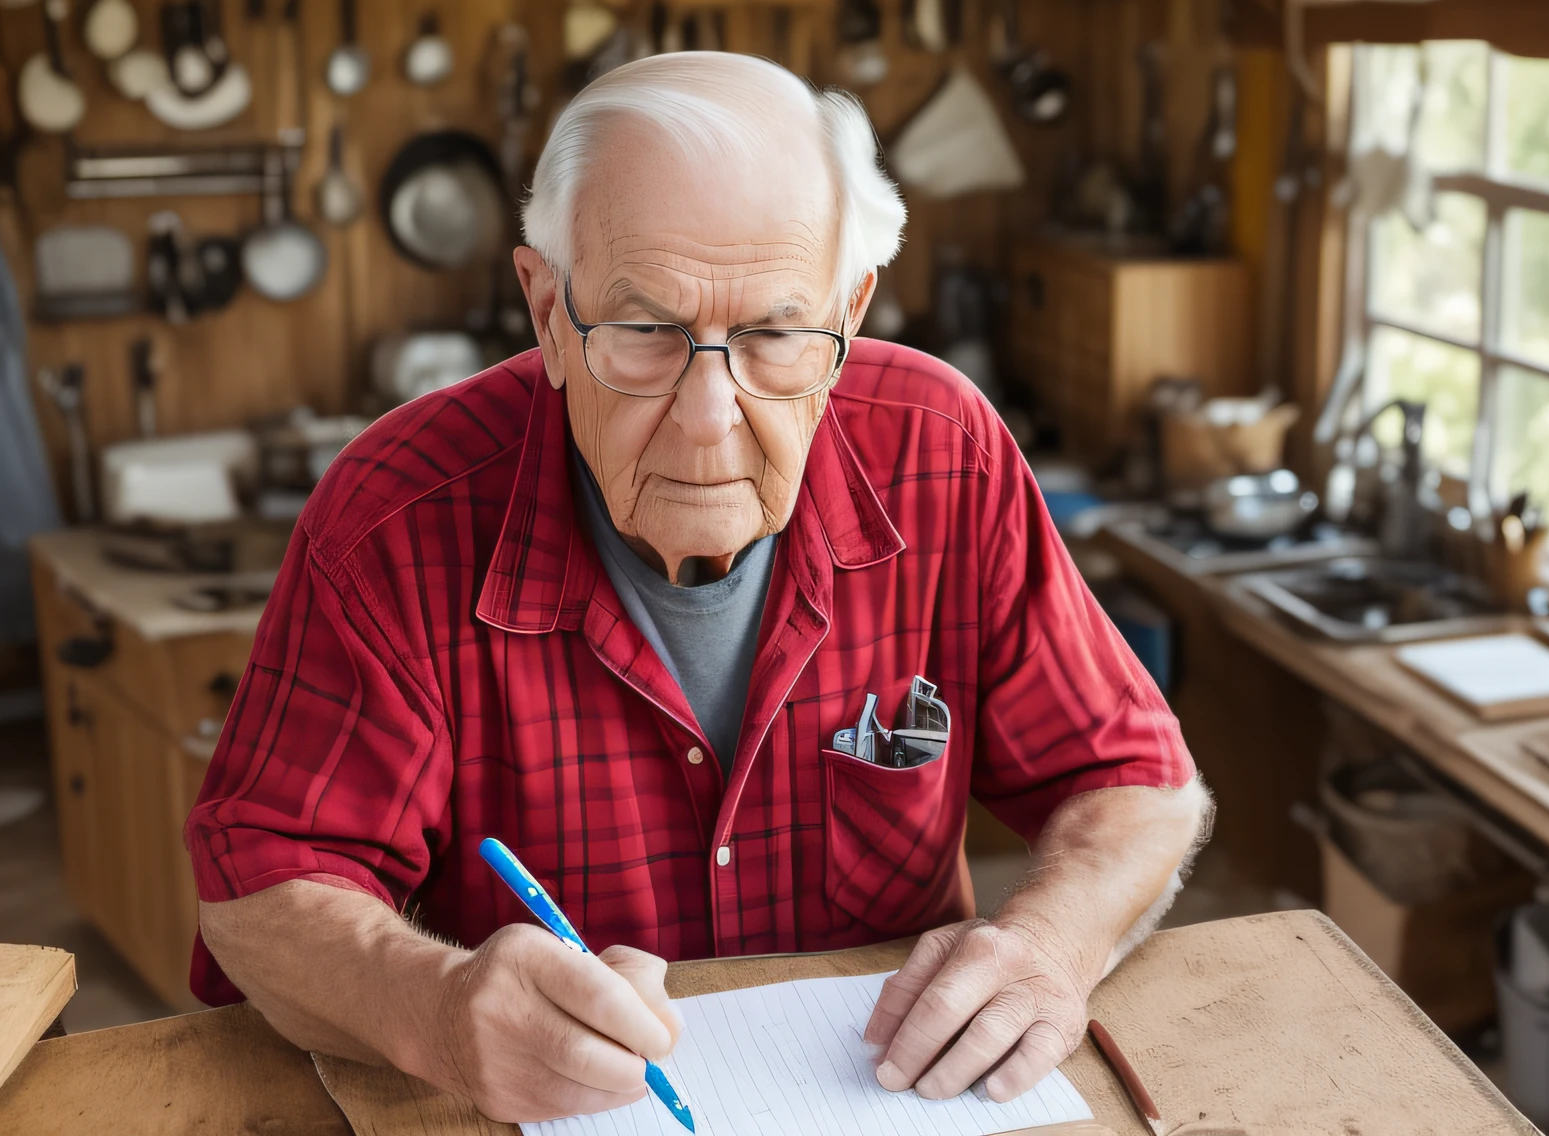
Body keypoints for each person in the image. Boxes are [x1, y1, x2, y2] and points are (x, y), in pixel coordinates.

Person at [185, 52, 1210, 1122]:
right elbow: (262, 885)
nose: (708, 414)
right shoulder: (393, 517)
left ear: (847, 318)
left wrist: (1048, 942)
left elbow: (1136, 780)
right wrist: (435, 1006)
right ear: (547, 310)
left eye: (773, 335)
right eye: (643, 333)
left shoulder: (943, 454)